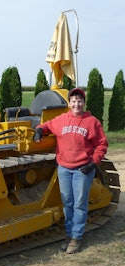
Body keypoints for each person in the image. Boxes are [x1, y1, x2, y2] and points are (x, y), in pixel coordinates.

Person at [33, 87, 108, 254]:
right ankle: (69, 234)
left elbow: (102, 144)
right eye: (73, 101)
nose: (77, 104)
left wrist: (93, 163)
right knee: (67, 204)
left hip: (83, 169)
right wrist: (39, 131)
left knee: (80, 204)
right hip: (64, 169)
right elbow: (46, 126)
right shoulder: (61, 120)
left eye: (80, 100)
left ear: (84, 103)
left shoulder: (92, 122)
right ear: (69, 103)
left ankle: (76, 237)